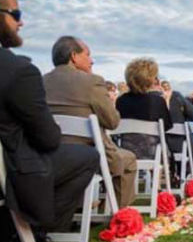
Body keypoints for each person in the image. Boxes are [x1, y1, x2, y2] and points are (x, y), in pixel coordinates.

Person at [0, 0, 98, 238]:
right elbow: (47, 137)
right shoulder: (18, 71)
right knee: (88, 157)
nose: (20, 23)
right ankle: (33, 229)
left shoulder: (36, 76)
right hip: (12, 169)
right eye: (16, 15)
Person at [43, 36, 137, 208]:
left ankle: (79, 207)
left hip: (47, 156)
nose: (91, 60)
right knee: (128, 159)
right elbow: (112, 122)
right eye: (87, 54)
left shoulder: (41, 81)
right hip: (89, 155)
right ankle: (119, 214)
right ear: (74, 56)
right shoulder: (92, 82)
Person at [116, 58, 173, 159]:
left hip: (127, 153)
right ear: (149, 79)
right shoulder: (157, 101)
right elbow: (166, 126)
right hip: (152, 153)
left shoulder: (121, 100)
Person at [160, 80, 193, 179]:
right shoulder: (177, 96)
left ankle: (176, 174)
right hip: (175, 145)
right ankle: (182, 174)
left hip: (150, 147)